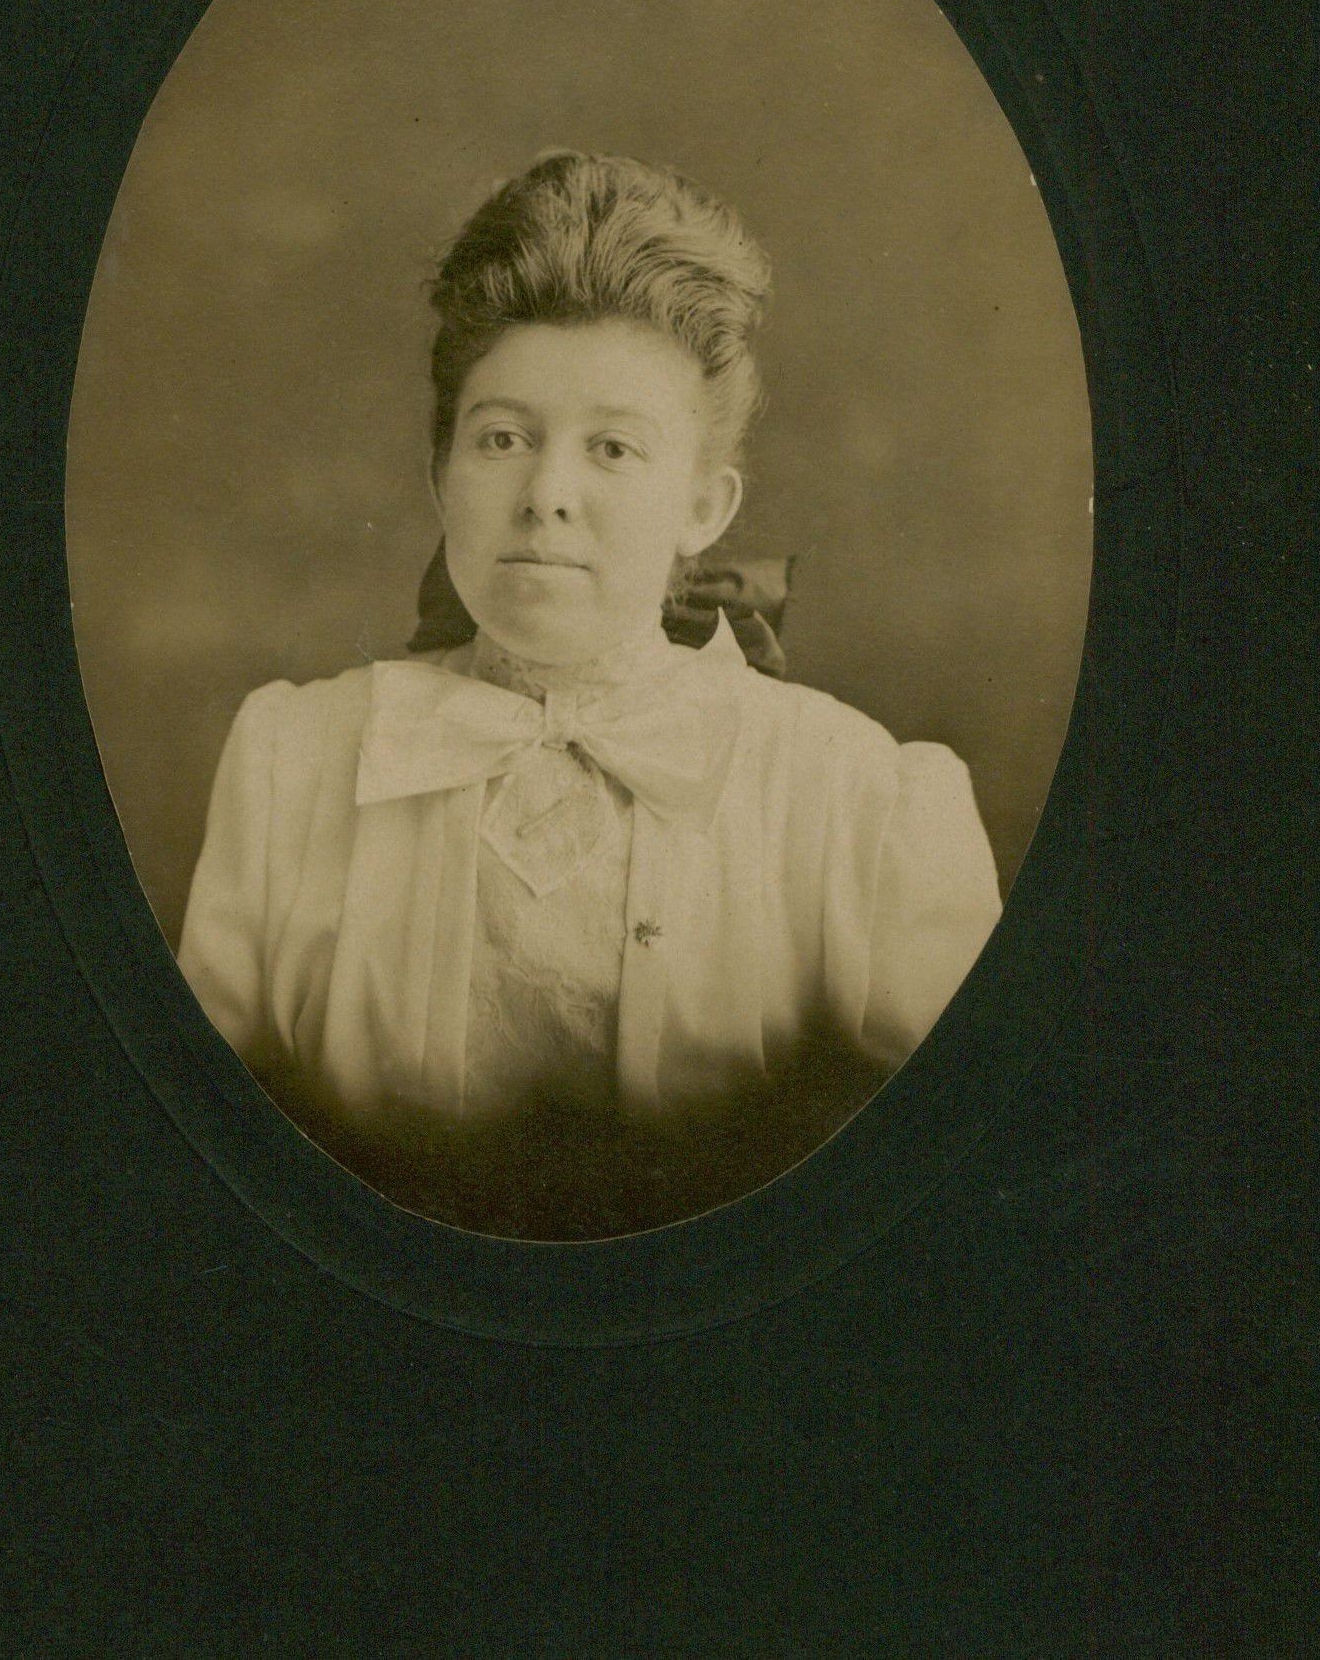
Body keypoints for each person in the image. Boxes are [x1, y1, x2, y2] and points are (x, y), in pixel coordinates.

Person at [176, 151, 1000, 1234]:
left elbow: (953, 1203)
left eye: (612, 447)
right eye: (502, 439)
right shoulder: (292, 759)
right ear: (440, 476)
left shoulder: (868, 804)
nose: (546, 494)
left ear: (703, 505)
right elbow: (203, 1175)